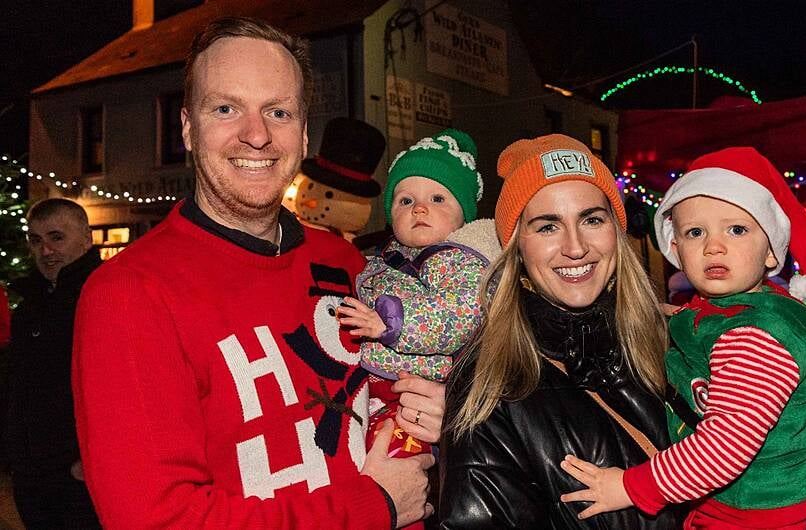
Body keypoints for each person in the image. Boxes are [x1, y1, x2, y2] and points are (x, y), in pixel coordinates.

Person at [72, 17, 441, 528]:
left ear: (304, 131)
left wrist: (425, 407)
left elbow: (390, 402)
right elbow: (158, 519)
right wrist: (372, 507)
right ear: (187, 128)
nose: (257, 134)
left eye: (279, 111)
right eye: (226, 108)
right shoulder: (130, 293)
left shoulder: (345, 262)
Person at [559, 147, 806, 529]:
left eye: (737, 229)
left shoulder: (756, 339)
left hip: (752, 514)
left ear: (772, 251)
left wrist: (630, 486)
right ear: (676, 248)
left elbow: (724, 448)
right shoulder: (729, 311)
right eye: (695, 231)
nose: (713, 245)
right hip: (732, 506)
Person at [439, 134, 679, 528]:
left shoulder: (675, 343)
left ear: (616, 233)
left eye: (592, 219)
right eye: (548, 226)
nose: (575, 246)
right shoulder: (491, 380)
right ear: (517, 248)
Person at [337, 129, 499, 461]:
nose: (419, 209)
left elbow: (461, 313)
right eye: (406, 200)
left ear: (463, 214)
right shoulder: (385, 259)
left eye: (438, 199)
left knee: (394, 460)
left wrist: (390, 322)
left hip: (415, 391)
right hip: (371, 383)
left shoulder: (459, 260)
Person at [4, 198, 101, 528]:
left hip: (80, 480)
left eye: (56, 237)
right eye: (35, 240)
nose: (45, 250)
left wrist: (90, 460)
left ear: (86, 238)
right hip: (33, 476)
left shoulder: (105, 296)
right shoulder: (29, 307)